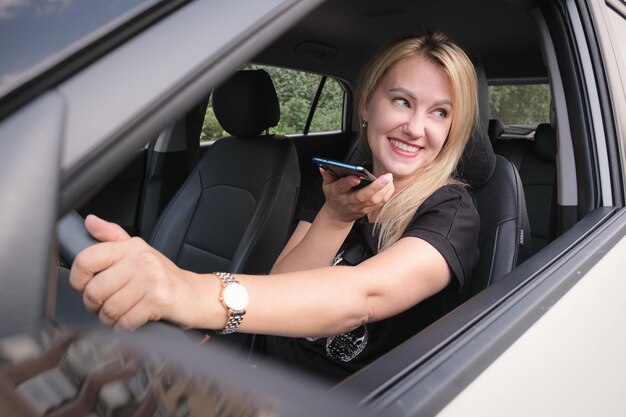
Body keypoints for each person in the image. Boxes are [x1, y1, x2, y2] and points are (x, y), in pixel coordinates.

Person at [70, 31, 480, 382]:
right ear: (368, 105)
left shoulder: (450, 212)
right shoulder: (339, 184)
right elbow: (285, 278)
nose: (414, 127)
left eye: (439, 113)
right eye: (402, 101)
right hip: (257, 373)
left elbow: (363, 297)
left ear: (451, 130)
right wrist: (335, 216)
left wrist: (189, 291)